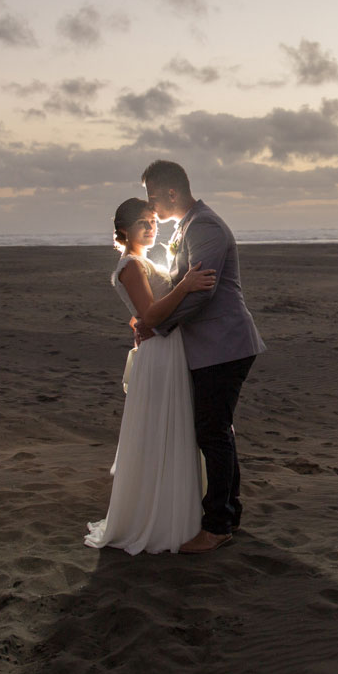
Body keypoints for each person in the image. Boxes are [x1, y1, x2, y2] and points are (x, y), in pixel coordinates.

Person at [139, 160, 265, 555]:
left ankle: (218, 525)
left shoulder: (206, 226)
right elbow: (181, 284)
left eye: (153, 196)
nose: (151, 205)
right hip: (211, 347)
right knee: (216, 429)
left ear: (172, 192)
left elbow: (202, 292)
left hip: (224, 345)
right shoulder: (186, 228)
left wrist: (158, 325)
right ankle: (229, 513)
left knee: (212, 431)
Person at [85, 198, 217, 555]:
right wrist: (186, 286)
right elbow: (152, 315)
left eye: (153, 221)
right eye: (142, 222)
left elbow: (143, 316)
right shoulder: (130, 264)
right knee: (162, 429)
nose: (151, 227)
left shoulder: (143, 261)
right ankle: (158, 518)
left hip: (168, 348)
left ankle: (178, 511)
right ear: (124, 229)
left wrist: (140, 320)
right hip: (160, 353)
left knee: (174, 429)